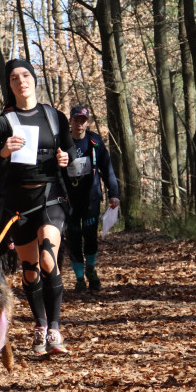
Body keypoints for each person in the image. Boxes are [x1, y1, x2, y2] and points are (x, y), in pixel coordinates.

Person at [0, 59, 77, 355]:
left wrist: (66, 159)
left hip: (51, 197)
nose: (21, 81)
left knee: (48, 259)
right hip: (18, 204)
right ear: (9, 86)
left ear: (34, 79)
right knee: (30, 270)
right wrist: (4, 151)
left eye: (26, 75)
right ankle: (41, 325)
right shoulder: (4, 122)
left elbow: (70, 151)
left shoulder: (54, 117)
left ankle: (55, 329)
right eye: (14, 78)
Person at [63, 105, 120, 292]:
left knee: (90, 237)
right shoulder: (62, 142)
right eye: (75, 120)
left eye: (82, 120)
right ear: (70, 121)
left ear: (87, 123)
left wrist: (114, 194)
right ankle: (79, 278)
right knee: (72, 239)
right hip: (68, 201)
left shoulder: (95, 142)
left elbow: (108, 169)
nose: (79, 124)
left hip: (91, 199)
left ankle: (91, 270)